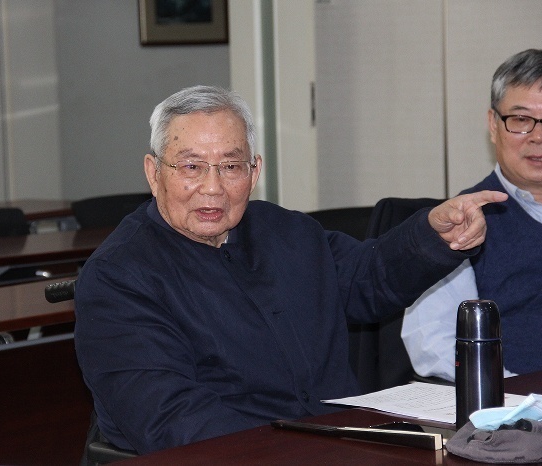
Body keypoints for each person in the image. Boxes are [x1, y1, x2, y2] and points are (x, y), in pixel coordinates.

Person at [74, 85, 506, 455]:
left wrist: (433, 236)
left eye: (230, 166)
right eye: (191, 166)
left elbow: (367, 278)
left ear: (254, 171)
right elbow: (171, 418)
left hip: (339, 444)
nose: (212, 187)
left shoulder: (287, 231)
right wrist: (295, 453)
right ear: (153, 174)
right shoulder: (118, 277)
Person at [402, 49, 542, 382]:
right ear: (493, 125)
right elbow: (430, 340)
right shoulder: (461, 221)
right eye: (521, 120)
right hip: (517, 403)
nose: (539, 137)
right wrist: (511, 393)